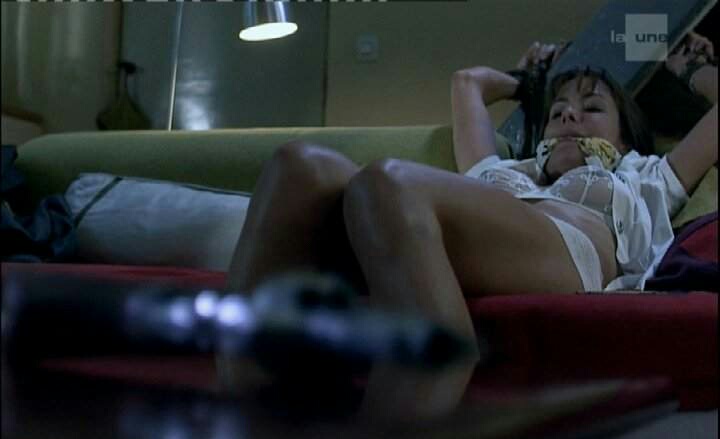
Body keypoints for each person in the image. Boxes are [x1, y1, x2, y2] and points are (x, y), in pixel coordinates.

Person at [227, 33, 718, 349]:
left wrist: (688, 67)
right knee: (299, 165)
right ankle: (244, 392)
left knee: (387, 183)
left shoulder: (648, 175)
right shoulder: (504, 169)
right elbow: (467, 83)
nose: (569, 113)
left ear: (626, 136)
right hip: (424, 223)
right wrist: (528, 81)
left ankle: (439, 368)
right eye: (558, 109)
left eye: (591, 108)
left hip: (569, 251)